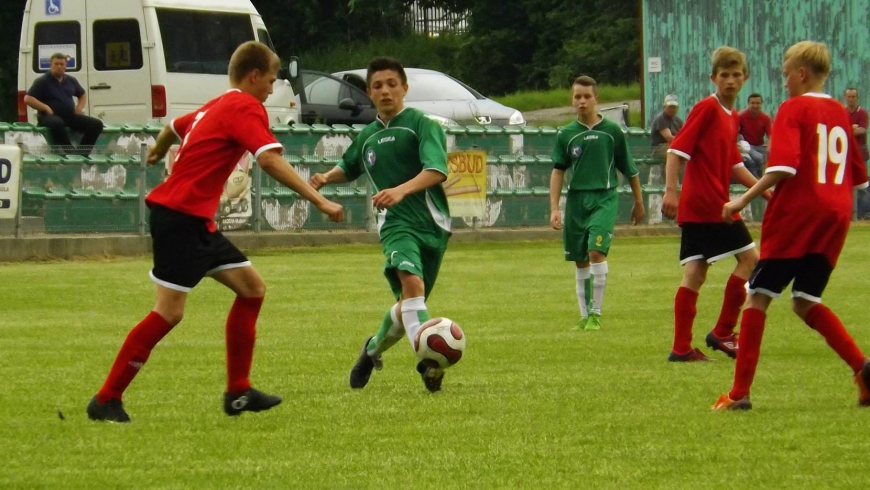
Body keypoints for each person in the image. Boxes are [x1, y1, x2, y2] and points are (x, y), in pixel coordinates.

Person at [86, 41, 344, 422]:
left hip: (193, 220)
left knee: (252, 289)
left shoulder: (213, 106)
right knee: (169, 313)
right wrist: (318, 201)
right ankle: (106, 398)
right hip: (181, 218)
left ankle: (238, 392)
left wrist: (157, 152)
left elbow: (172, 128)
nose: (272, 89)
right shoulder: (243, 105)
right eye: (271, 81)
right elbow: (269, 159)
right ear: (253, 76)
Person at [713, 41, 870, 410]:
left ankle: (739, 393)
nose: (783, 83)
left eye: (785, 75)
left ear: (801, 73)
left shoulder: (794, 107)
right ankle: (862, 369)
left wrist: (741, 199)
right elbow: (860, 180)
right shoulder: (839, 113)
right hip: (836, 214)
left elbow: (784, 167)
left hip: (799, 213)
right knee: (805, 300)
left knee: (758, 295)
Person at [309, 57, 452, 393]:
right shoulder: (368, 136)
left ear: (404, 87)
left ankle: (371, 350)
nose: (385, 90)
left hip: (433, 223)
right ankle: (430, 363)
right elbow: (350, 165)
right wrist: (327, 177)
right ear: (369, 94)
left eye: (391, 84)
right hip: (395, 225)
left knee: (409, 305)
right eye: (377, 86)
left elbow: (437, 170)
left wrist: (400, 190)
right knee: (412, 286)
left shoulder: (422, 124)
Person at [661, 46, 768, 362]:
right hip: (709, 205)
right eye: (725, 75)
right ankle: (723, 332)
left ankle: (681, 348)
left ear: (745, 78)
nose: (731, 81)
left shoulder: (732, 116)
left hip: (704, 205)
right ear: (714, 78)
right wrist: (670, 191)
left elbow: (735, 165)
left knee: (695, 271)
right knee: (751, 260)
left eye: (736, 75)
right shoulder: (706, 108)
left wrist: (767, 191)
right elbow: (676, 151)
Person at [549, 75, 644, 331]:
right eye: (577, 96)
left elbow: (630, 169)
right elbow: (558, 171)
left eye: (587, 96)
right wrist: (555, 207)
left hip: (604, 197)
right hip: (577, 200)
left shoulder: (612, 132)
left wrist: (638, 201)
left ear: (596, 99)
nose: (582, 101)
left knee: (595, 252)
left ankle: (597, 314)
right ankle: (584, 316)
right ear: (572, 100)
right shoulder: (566, 134)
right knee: (580, 259)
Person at [23, 53, 104, 155]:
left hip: (69, 116)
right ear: (50, 65)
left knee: (96, 124)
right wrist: (46, 107)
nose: (59, 67)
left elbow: (82, 94)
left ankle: (82, 153)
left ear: (66, 66)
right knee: (57, 123)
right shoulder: (42, 81)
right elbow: (28, 99)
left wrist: (79, 108)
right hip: (48, 116)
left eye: (62, 64)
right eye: (56, 64)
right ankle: (69, 151)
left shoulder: (71, 80)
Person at [844, 87, 870, 217]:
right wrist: (852, 128)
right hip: (846, 153)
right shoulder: (843, 112)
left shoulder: (862, 113)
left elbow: (862, 130)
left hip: (861, 152)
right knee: (847, 184)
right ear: (845, 98)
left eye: (853, 97)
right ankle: (852, 213)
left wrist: (848, 130)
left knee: (863, 184)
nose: (851, 99)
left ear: (857, 98)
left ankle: (865, 212)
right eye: (849, 97)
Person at [738, 93, 773, 178]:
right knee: (758, 159)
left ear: (761, 104)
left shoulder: (765, 118)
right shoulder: (741, 116)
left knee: (764, 159)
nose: (755, 105)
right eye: (752, 103)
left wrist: (769, 147)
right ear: (748, 104)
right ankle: (756, 181)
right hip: (745, 147)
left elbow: (771, 135)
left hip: (759, 146)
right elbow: (734, 132)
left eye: (758, 103)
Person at [650, 94, 684, 159]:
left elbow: (685, 133)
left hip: (674, 146)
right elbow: (669, 138)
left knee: (685, 151)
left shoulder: (678, 120)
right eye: (670, 107)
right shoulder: (661, 118)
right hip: (658, 148)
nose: (672, 109)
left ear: (677, 108)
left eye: (674, 107)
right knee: (677, 151)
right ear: (664, 107)